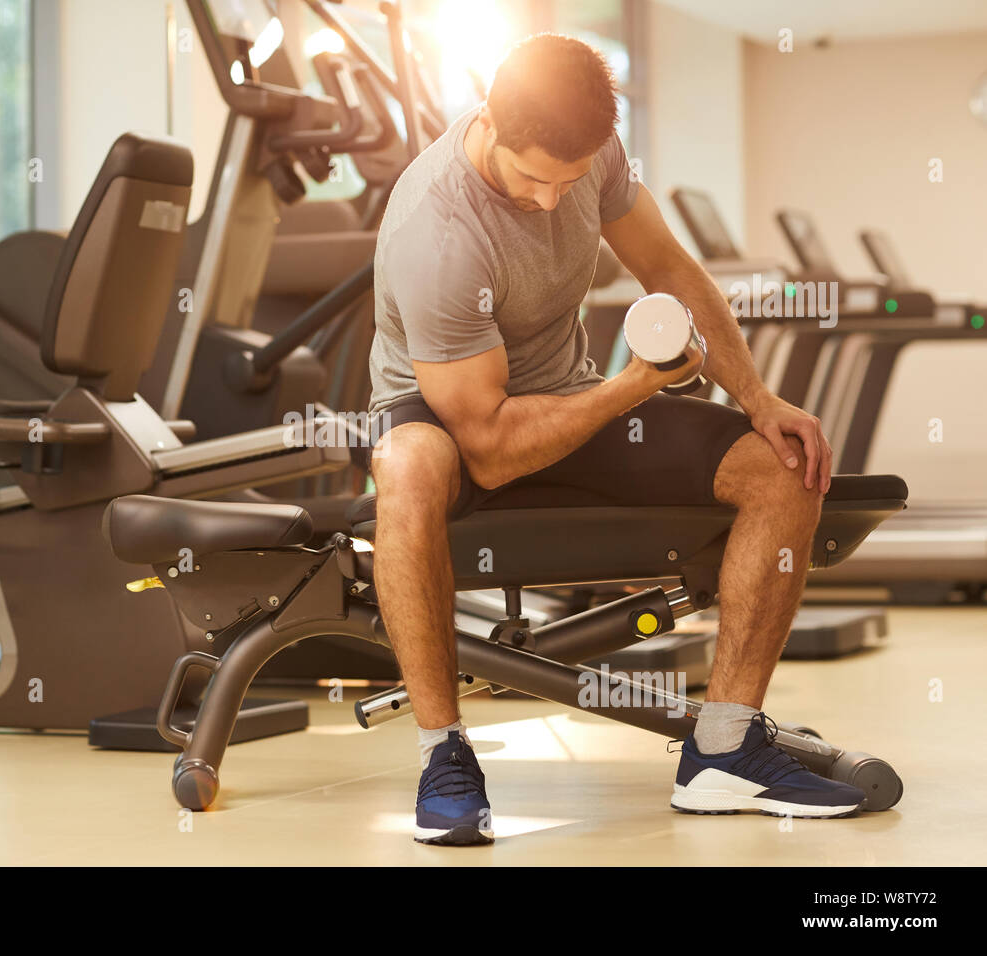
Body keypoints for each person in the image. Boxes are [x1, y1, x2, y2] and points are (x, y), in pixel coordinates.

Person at [366, 33, 863, 846]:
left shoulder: (590, 156)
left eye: (570, 182)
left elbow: (669, 266)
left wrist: (758, 396)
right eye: (534, 178)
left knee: (782, 468)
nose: (553, 203)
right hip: (447, 419)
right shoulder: (438, 231)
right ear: (487, 121)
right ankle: (443, 754)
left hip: (571, 398)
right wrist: (631, 386)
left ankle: (725, 749)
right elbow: (488, 444)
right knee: (410, 464)